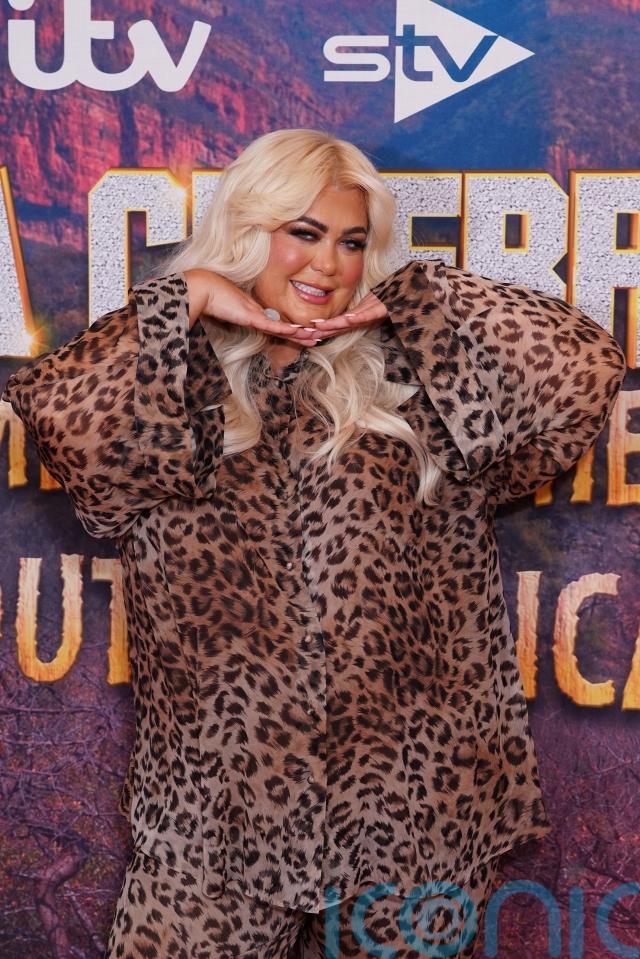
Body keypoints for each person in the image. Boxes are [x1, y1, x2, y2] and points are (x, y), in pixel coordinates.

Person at [2, 128, 626, 959]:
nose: (328, 264)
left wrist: (422, 301)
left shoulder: (416, 385)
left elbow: (587, 367)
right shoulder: (172, 386)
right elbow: (57, 413)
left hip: (414, 817)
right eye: (303, 232)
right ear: (248, 228)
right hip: (212, 821)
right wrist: (184, 296)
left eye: (351, 242)